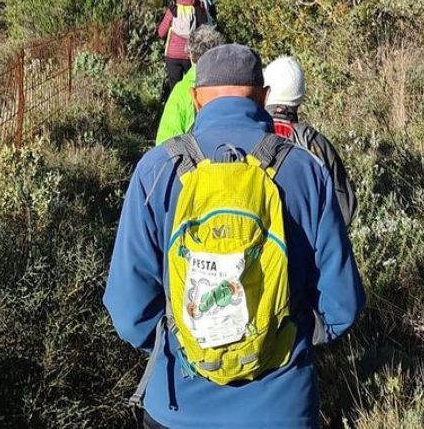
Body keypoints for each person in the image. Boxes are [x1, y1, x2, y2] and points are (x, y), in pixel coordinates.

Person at [105, 44, 364, 429]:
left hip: (178, 408)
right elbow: (342, 306)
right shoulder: (305, 171)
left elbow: (128, 313)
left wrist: (186, 340)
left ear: (195, 99)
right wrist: (284, 337)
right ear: (263, 96)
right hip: (281, 408)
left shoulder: (156, 171)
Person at [263, 56, 358, 227]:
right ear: (300, 97)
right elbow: (346, 208)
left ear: (266, 90)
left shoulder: (250, 135)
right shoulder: (315, 142)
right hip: (306, 248)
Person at [155, 25, 226, 144]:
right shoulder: (233, 85)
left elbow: (165, 141)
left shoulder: (182, 91)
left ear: (191, 56)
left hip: (194, 158)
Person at [157, 0, 208, 97]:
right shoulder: (198, 9)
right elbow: (205, 31)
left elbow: (161, 33)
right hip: (190, 55)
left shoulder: (173, 9)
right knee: (192, 88)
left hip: (172, 55)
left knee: (175, 90)